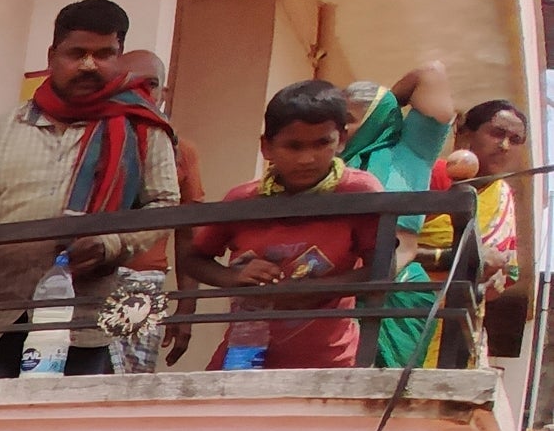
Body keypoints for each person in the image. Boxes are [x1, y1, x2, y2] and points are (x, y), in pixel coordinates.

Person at [0, 0, 179, 379]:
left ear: (120, 56)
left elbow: (165, 204)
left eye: (103, 54)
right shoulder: (8, 126)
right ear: (52, 56)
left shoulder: (140, 128)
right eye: (76, 53)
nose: (88, 65)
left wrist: (110, 243)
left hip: (83, 324)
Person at [181, 79, 389, 370]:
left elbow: (382, 267)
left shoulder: (359, 192)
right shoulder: (243, 199)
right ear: (267, 147)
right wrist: (234, 277)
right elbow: (194, 258)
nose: (308, 158)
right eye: (293, 146)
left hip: (329, 362)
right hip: (243, 356)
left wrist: (314, 289)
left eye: (322, 143)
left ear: (341, 140)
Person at [343, 61, 457, 367]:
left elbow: (431, 74)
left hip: (401, 289)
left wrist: (385, 105)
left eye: (350, 120)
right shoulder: (326, 166)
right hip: (338, 288)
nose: (339, 130)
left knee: (388, 396)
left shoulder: (409, 153)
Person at [417, 98, 529, 368]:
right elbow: (387, 249)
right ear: (466, 134)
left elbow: (508, 272)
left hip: (461, 325)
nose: (504, 146)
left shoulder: (503, 195)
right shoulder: (435, 177)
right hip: (410, 309)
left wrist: (496, 283)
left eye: (515, 139)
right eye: (497, 133)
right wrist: (468, 259)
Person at [115, 52, 205, 370]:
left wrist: (186, 309)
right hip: (82, 279)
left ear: (163, 94)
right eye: (127, 85)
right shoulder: (89, 141)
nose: (139, 94)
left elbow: (188, 233)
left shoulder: (180, 149)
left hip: (142, 283)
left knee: (125, 391)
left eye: (149, 85)